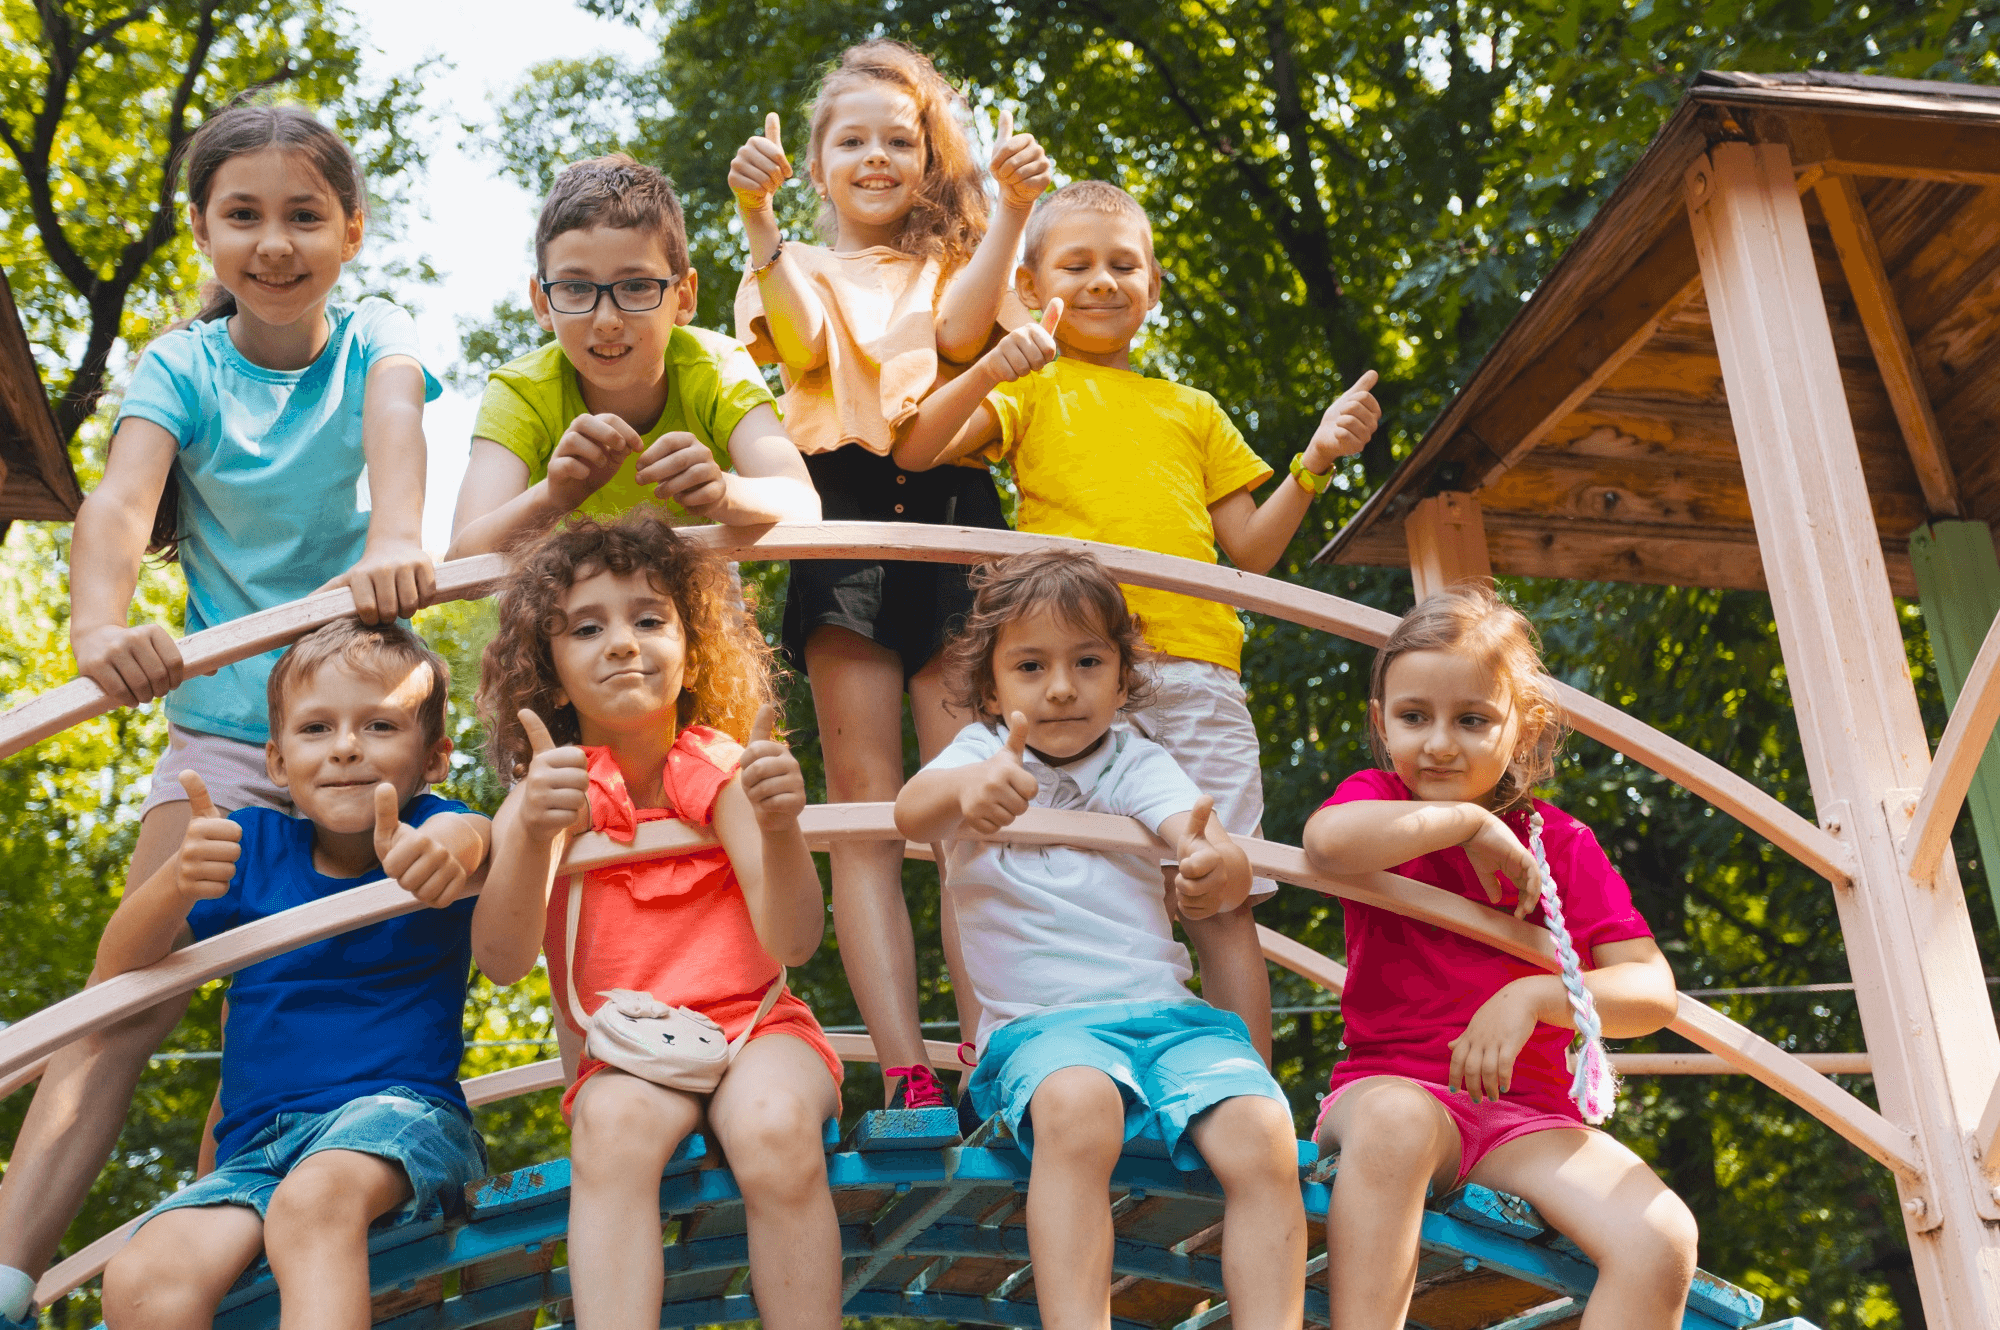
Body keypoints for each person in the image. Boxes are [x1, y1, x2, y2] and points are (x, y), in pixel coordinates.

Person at [0, 103, 444, 1329]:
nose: (275, 243)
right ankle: (7, 1264)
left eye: (304, 214)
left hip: (353, 730)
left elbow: (396, 431)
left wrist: (399, 540)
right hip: (222, 743)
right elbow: (116, 502)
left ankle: (250, 1241)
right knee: (131, 992)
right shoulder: (182, 365)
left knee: (297, 991)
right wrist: (99, 634)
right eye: (242, 216)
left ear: (350, 228)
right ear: (204, 231)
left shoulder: (376, 338)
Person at [892, 179, 1382, 1061]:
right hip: (1076, 679)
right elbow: (919, 448)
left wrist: (1313, 463)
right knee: (1084, 880)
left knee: (1218, 890)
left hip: (1195, 670)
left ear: (1154, 286)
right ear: (1034, 282)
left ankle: (1249, 1091)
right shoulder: (1034, 388)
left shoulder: (1192, 410)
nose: (1102, 282)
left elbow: (1253, 551)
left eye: (1124, 265)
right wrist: (998, 364)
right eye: (1075, 265)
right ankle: (1028, 1063)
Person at [728, 38, 1053, 1113]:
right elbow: (803, 341)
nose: (875, 158)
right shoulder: (790, 263)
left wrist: (1006, 209)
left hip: (957, 518)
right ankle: (906, 1064)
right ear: (814, 164)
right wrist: (762, 224)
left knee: (960, 801)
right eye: (850, 140)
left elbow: (965, 330)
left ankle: (986, 1052)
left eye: (898, 140)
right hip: (842, 516)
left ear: (928, 157)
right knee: (866, 803)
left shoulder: (960, 266)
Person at [895, 549, 1305, 1330]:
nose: (1060, 687)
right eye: (1031, 665)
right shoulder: (980, 756)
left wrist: (1208, 858)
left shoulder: (1133, 759)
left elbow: (1189, 823)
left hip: (1167, 1022)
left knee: (1264, 1131)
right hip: (1042, 1033)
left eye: (1088, 662)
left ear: (1122, 680)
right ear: (990, 689)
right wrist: (967, 792)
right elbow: (912, 813)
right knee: (1081, 1108)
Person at [472, 511, 843, 1330]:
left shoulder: (728, 770)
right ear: (551, 671)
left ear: (692, 647)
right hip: (632, 1051)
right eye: (587, 628)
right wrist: (534, 830)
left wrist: (780, 830)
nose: (622, 643)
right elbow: (500, 959)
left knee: (774, 1126)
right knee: (607, 1126)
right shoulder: (545, 795)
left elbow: (794, 943)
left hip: (759, 1029)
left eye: (649, 619)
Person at [1302, 586, 1697, 1330]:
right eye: (1414, 717)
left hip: (1527, 1119)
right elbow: (1326, 846)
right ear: (1382, 724)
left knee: (1662, 1236)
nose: (1441, 743)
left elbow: (1652, 992)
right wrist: (1463, 825)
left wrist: (1536, 998)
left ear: (1524, 730)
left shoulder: (1562, 844)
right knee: (1396, 1120)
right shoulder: (1383, 802)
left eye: (1473, 720)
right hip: (1389, 1088)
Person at [97, 620, 495, 1329]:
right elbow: (115, 972)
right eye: (317, 729)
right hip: (255, 1154)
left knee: (314, 1201)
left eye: (379, 724)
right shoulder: (254, 846)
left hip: (399, 1123)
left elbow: (480, 838)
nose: (345, 746)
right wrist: (175, 882)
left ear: (435, 757)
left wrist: (447, 848)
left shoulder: (438, 827)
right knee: (141, 1277)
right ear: (277, 763)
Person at [446, 153, 820, 560]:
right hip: (565, 595)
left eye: (637, 286)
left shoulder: (717, 367)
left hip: (688, 586)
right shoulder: (522, 392)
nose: (606, 320)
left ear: (684, 296)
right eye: (575, 288)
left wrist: (724, 492)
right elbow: (464, 555)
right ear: (541, 302)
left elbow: (803, 506)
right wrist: (553, 496)